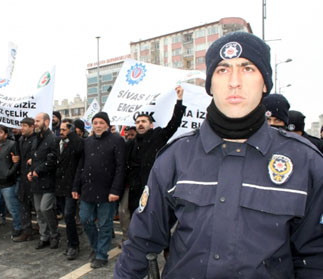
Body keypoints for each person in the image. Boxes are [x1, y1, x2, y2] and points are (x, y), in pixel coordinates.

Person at [115, 32, 323, 278]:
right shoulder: (176, 157)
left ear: (265, 82)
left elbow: (315, 258)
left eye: (247, 68)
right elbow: (141, 244)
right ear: (210, 84)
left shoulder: (306, 161)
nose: (234, 81)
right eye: (223, 70)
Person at [119, 86, 186, 248]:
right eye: (137, 122)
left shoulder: (158, 136)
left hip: (155, 186)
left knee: (159, 218)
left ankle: (166, 247)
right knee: (137, 216)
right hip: (136, 188)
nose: (140, 124)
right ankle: (138, 243)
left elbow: (174, 123)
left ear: (151, 125)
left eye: (143, 122)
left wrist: (179, 100)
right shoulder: (131, 144)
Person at [72, 111, 126, 269]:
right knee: (85, 219)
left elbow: (120, 167)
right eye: (95, 123)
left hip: (108, 191)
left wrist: (115, 190)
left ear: (107, 125)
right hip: (88, 189)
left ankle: (101, 255)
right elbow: (81, 166)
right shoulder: (87, 142)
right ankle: (97, 247)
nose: (98, 126)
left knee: (105, 224)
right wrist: (76, 186)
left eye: (101, 123)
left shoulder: (117, 140)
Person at [28, 113, 60, 249]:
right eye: (35, 121)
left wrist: (38, 170)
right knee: (39, 211)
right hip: (37, 181)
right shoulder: (36, 139)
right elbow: (35, 158)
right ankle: (44, 236)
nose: (35, 123)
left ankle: (54, 234)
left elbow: (52, 160)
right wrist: (31, 171)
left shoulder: (52, 139)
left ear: (46, 122)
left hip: (49, 181)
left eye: (38, 121)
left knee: (45, 208)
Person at [56, 121, 83, 260]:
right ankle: (70, 243)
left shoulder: (75, 142)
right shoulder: (59, 143)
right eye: (60, 129)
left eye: (64, 130)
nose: (61, 132)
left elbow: (79, 149)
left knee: (68, 215)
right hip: (60, 186)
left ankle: (74, 245)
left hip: (71, 185)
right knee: (66, 217)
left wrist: (72, 134)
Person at [13, 117, 37, 242]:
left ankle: (47, 231)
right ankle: (27, 231)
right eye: (21, 125)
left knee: (38, 206)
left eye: (24, 126)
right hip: (23, 177)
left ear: (32, 127)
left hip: (35, 177)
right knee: (24, 204)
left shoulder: (37, 139)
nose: (21, 128)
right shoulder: (21, 140)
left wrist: (34, 161)